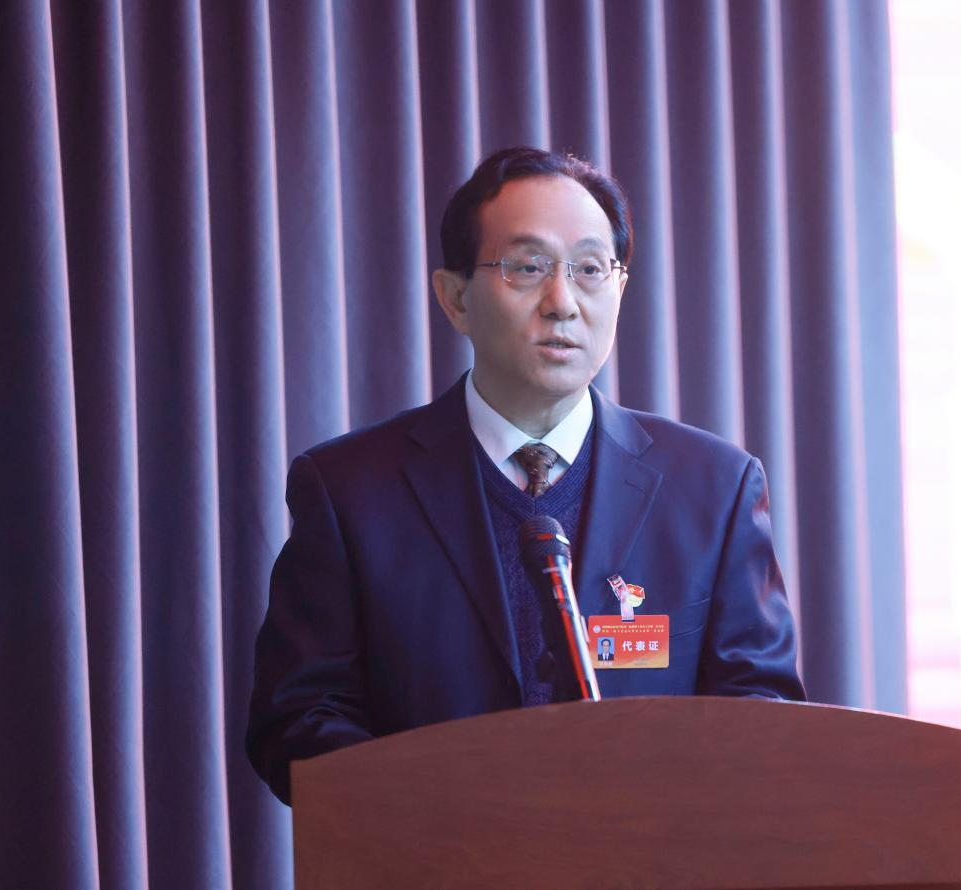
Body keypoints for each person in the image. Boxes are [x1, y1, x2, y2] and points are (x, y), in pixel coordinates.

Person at [247, 147, 805, 805]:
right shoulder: (349, 490)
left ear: (619, 290)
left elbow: (760, 712)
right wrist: (446, 816)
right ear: (455, 298)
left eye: (590, 269)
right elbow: (299, 719)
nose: (562, 302)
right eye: (527, 267)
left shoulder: (713, 489)